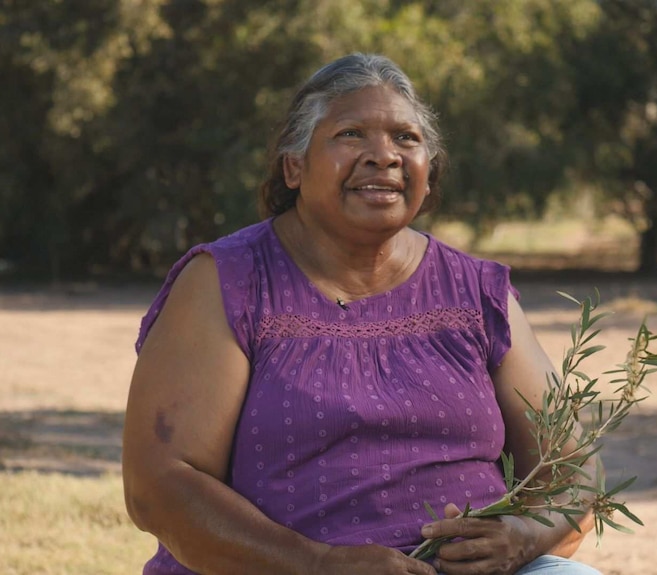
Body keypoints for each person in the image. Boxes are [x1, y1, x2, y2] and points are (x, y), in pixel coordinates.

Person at [122, 53, 603, 575]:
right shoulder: (228, 282)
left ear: (428, 168)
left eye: (406, 138)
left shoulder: (477, 292)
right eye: (352, 134)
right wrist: (317, 564)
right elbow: (159, 484)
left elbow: (574, 469)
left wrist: (523, 538)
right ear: (294, 166)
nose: (384, 156)